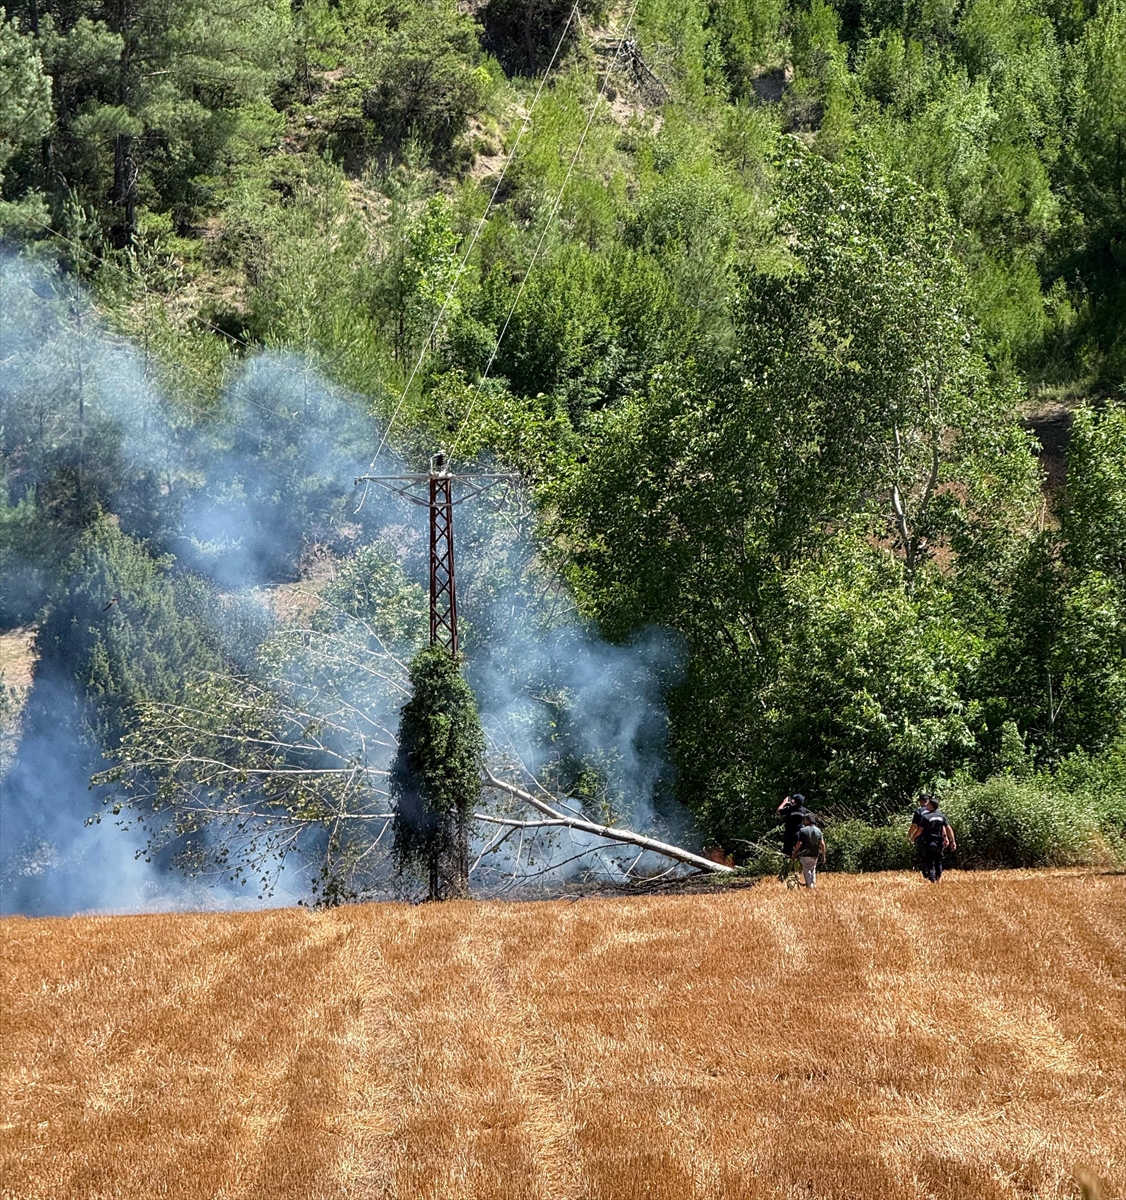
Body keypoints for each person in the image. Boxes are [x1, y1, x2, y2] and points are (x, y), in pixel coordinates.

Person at [908, 795, 956, 882]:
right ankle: (938, 877)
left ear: (931, 805)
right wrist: (951, 840)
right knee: (938, 860)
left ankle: (932, 879)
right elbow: (947, 828)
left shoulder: (925, 817)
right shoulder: (941, 816)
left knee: (929, 860)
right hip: (940, 841)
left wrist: (913, 837)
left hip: (929, 841)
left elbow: (919, 830)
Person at [791, 814, 827, 888]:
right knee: (813, 869)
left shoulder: (803, 830)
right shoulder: (818, 830)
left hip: (805, 854)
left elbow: (799, 843)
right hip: (815, 854)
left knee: (806, 870)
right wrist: (823, 855)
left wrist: (794, 852)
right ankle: (813, 884)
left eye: (805, 819)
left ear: (808, 820)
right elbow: (822, 844)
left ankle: (809, 886)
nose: (804, 821)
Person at [777, 793, 811, 857]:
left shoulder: (789, 809)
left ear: (794, 801)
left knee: (787, 854)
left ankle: (787, 865)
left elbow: (778, 811)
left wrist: (784, 802)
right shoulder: (804, 810)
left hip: (789, 834)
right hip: (799, 834)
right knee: (798, 853)